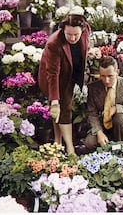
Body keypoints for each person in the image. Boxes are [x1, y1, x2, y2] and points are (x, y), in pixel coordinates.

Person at [38, 8, 91, 155]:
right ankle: (68, 147)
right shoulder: (54, 43)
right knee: (61, 108)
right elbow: (52, 73)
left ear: (83, 29)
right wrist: (54, 99)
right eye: (69, 34)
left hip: (73, 68)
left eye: (76, 35)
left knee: (63, 109)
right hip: (55, 76)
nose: (73, 38)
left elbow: (85, 45)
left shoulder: (86, 29)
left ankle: (58, 141)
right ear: (63, 30)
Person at [84, 56, 123, 150]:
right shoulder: (93, 88)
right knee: (89, 143)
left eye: (110, 76)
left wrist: (117, 108)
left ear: (117, 72)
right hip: (104, 123)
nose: (106, 80)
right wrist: (99, 132)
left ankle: (122, 148)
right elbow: (91, 113)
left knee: (119, 117)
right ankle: (106, 150)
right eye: (103, 76)